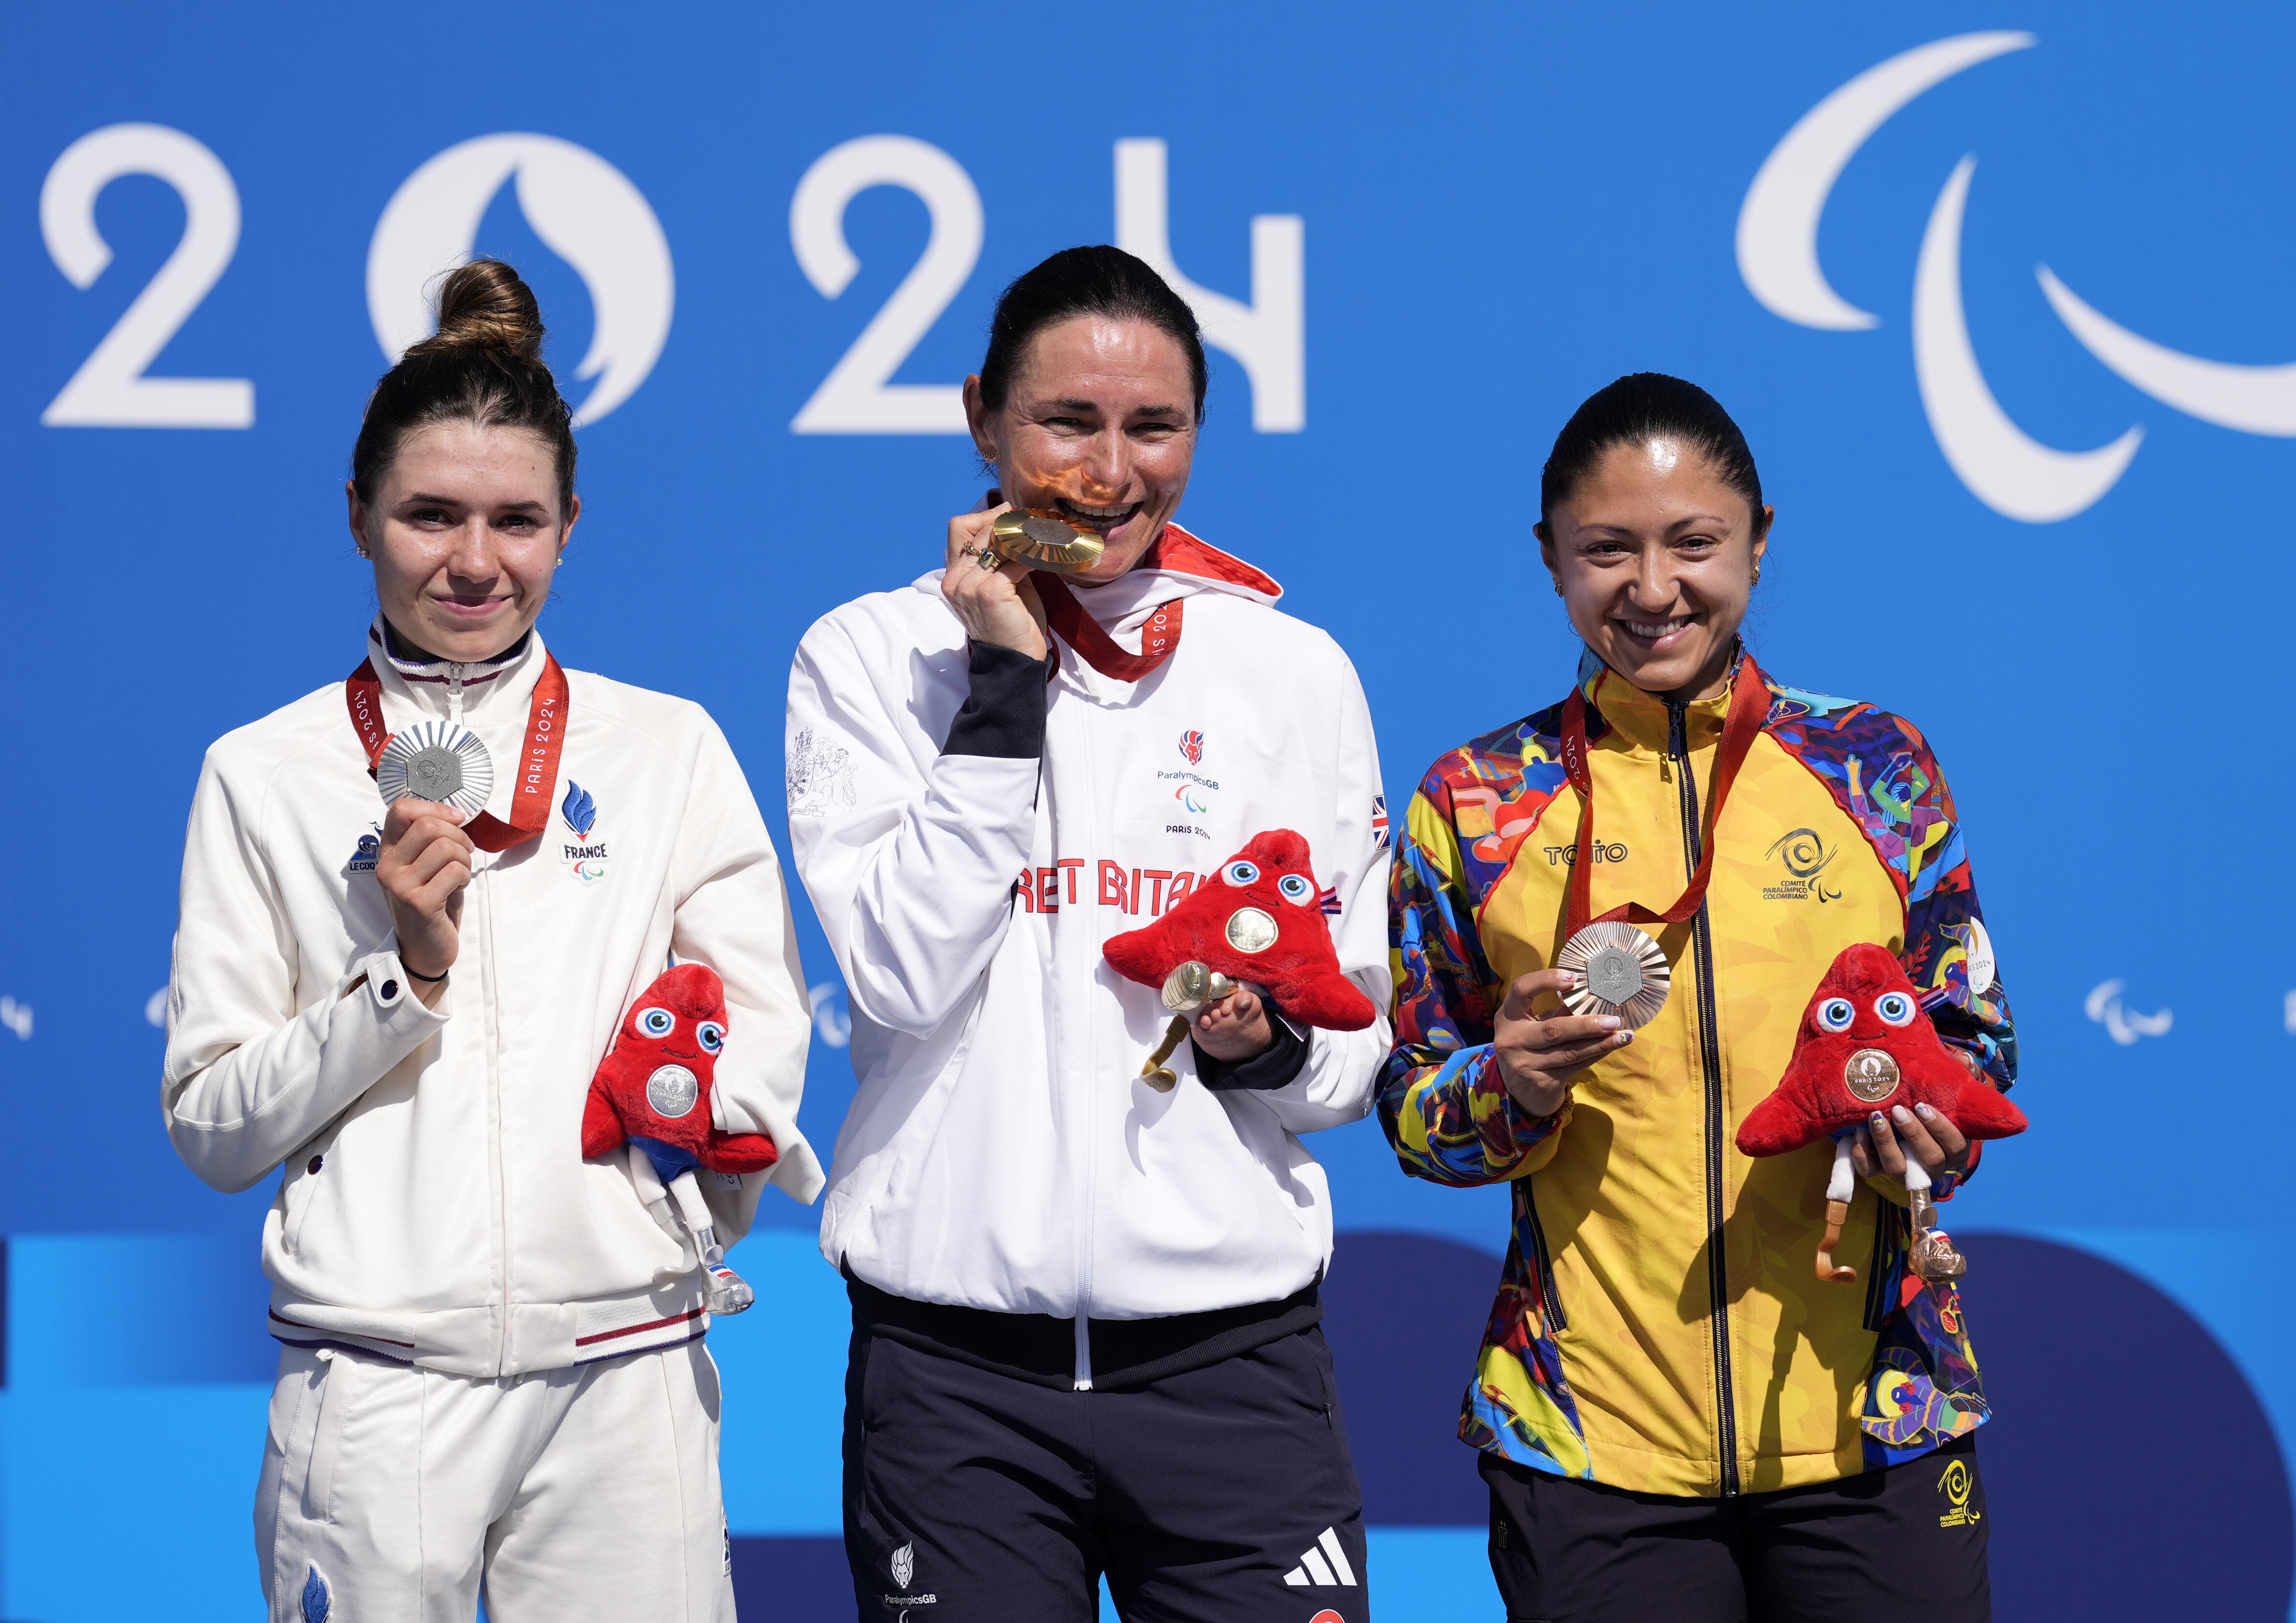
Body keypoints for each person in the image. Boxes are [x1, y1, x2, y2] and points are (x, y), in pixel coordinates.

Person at [161, 260, 820, 1623]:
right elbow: (215, 1126)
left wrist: (675, 1172)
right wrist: (403, 978)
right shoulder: (262, 769)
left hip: (627, 1373)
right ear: (357, 517)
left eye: (517, 519)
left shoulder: (668, 747)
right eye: (429, 514)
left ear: (571, 526)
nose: (474, 561)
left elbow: (762, 1052)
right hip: (378, 1381)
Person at [785, 245, 1390, 1623]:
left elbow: (1351, 1054)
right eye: (1068, 421)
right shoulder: (873, 658)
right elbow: (896, 969)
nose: (1110, 471)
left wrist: (1262, 1043)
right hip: (957, 1385)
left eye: (1154, 426)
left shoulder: (1290, 671)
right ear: (982, 418)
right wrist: (1000, 685)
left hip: (1232, 1370)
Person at [1379, 373, 2016, 1622]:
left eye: (1695, 543)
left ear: (1760, 543)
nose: (1654, 587)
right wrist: (1501, 1088)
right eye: (1606, 549)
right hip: (1590, 1447)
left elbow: (1975, 1049)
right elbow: (1411, 1104)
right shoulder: (1476, 800)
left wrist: (1922, 1130)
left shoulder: (1876, 768)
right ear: (1549, 557)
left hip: (1872, 1424)